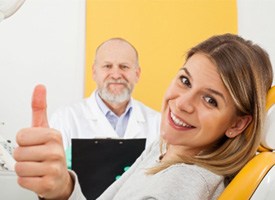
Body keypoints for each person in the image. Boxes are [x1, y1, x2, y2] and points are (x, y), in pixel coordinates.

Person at [14, 33, 273, 199]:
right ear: (94, 72)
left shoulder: (182, 184)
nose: (182, 103)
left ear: (237, 123)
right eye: (185, 80)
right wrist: (63, 189)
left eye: (210, 99)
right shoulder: (164, 148)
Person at [50, 37, 161, 150]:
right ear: (94, 72)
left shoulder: (158, 124)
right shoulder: (65, 119)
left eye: (124, 67)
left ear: (137, 74)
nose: (116, 75)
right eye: (107, 66)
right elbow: (50, 166)